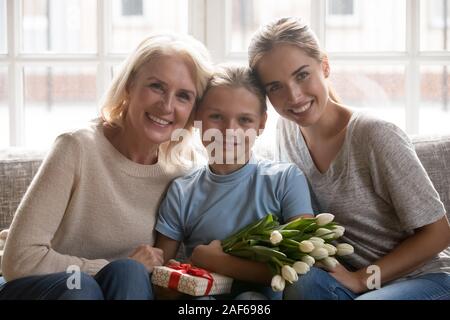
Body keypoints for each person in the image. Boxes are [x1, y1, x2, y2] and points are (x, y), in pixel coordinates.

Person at [248, 16, 450, 300]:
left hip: (426, 278)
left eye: (302, 74)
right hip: (351, 282)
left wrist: (361, 280)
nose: (293, 96)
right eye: (275, 87)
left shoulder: (374, 135)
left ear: (325, 66)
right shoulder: (285, 133)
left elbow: (439, 233)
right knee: (298, 285)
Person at [0, 33, 212, 300]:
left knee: (130, 274)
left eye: (183, 96)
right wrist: (105, 269)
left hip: (121, 288)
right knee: (84, 286)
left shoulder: (184, 172)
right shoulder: (76, 148)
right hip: (41, 289)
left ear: (193, 110)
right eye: (157, 86)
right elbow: (18, 260)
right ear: (130, 84)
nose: (167, 105)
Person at [154, 65, 314, 300]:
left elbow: (303, 268)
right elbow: (162, 284)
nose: (230, 131)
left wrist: (214, 261)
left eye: (245, 120)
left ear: (261, 123)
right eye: (216, 117)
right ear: (198, 118)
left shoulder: (286, 179)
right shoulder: (182, 191)